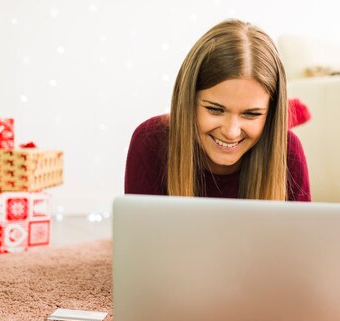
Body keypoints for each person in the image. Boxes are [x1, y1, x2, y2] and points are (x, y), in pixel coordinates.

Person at [124, 19, 311, 201]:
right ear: (188, 101)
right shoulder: (151, 141)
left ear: (270, 114)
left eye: (251, 114)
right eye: (215, 110)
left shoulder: (288, 153)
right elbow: (138, 231)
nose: (231, 132)